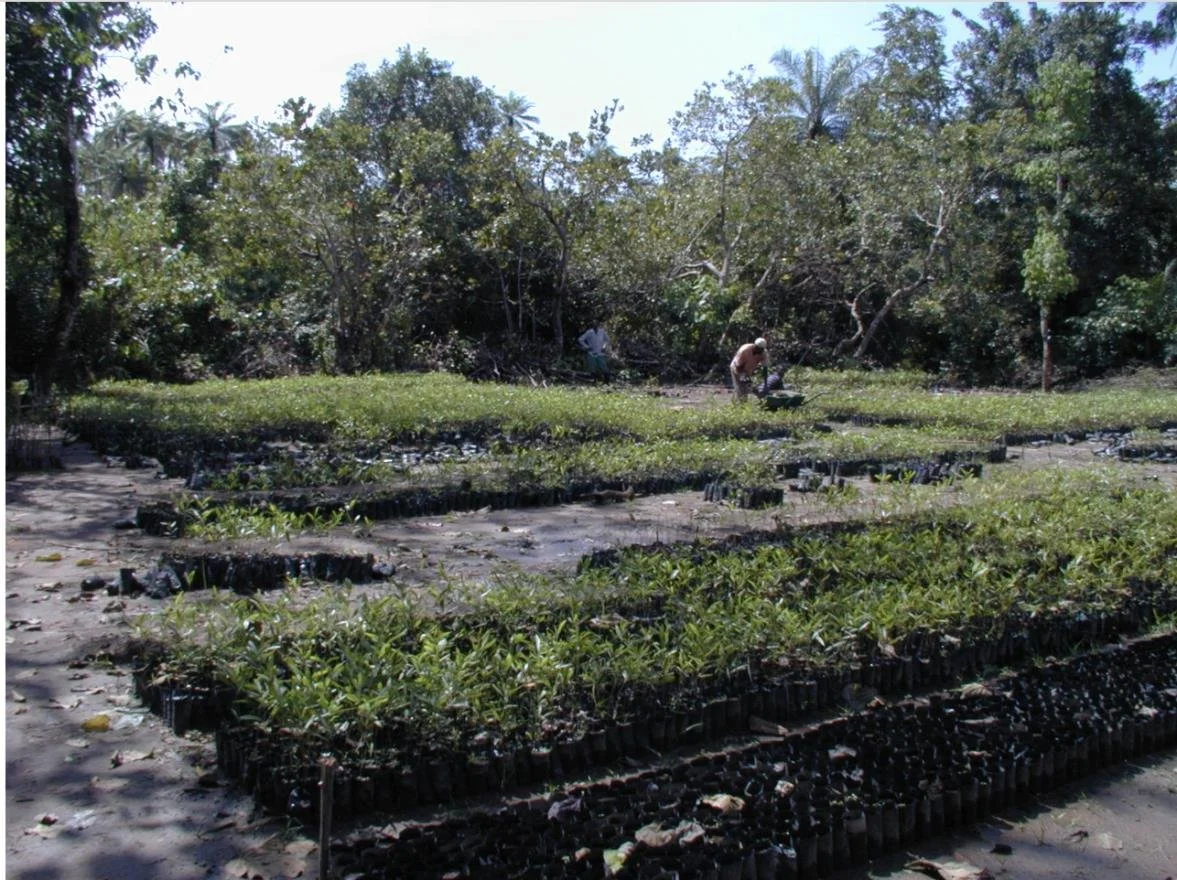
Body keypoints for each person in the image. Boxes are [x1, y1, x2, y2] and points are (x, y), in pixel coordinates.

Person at [730, 337, 768, 402]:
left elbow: (765, 367)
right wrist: (743, 377)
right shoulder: (744, 350)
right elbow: (738, 366)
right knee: (741, 388)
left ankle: (736, 400)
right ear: (755, 346)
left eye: (762, 349)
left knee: (745, 388)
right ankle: (741, 404)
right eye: (759, 349)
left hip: (748, 371)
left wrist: (765, 384)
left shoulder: (764, 353)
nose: (760, 351)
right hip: (736, 369)